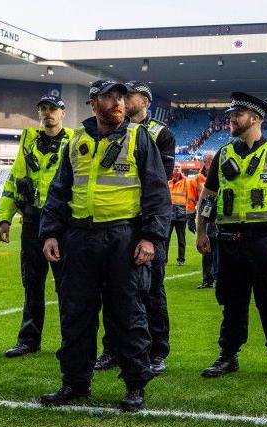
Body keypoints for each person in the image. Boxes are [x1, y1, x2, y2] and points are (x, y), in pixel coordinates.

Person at [37, 80, 170, 412]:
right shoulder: (76, 141)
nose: (118, 103)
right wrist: (50, 233)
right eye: (110, 97)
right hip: (79, 238)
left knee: (129, 313)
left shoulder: (140, 138)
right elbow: (59, 191)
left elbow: (157, 192)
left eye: (121, 97)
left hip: (123, 237)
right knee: (75, 313)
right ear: (93, 103)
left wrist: (151, 237)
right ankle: (75, 383)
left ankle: (135, 385)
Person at [196, 92, 267, 380]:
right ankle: (228, 356)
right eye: (230, 115)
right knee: (232, 302)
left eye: (236, 115)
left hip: (266, 239)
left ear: (254, 118)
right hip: (229, 240)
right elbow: (209, 195)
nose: (231, 120)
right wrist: (202, 231)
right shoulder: (224, 154)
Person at [94, 81, 176, 374]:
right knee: (112, 290)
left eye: (129, 95)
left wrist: (150, 230)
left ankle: (157, 350)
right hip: (119, 226)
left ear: (145, 100)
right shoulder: (112, 130)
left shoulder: (160, 134)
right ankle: (112, 348)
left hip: (146, 223)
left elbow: (161, 179)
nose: (123, 100)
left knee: (152, 290)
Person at [0, 94, 74, 358]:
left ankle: (70, 341)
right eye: (42, 109)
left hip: (62, 224)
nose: (47, 113)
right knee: (32, 283)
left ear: (63, 113)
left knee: (66, 285)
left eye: (52, 109)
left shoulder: (74, 141)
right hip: (31, 222)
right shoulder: (28, 140)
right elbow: (14, 180)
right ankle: (29, 340)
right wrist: (4, 218)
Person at [196, 151, 217, 289]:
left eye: (209, 160)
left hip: (216, 217)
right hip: (210, 217)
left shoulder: (216, 174)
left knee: (213, 248)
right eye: (207, 160)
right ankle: (209, 277)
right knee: (209, 248)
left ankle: (211, 277)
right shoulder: (201, 176)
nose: (208, 163)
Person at [168, 163, 194, 265]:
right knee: (166, 238)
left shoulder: (186, 181)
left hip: (181, 214)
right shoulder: (168, 181)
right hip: (169, 214)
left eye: (178, 167)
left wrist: (189, 213)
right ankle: (164, 259)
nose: (177, 168)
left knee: (181, 239)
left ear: (181, 169)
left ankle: (181, 259)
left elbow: (190, 198)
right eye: (175, 167)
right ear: (172, 169)